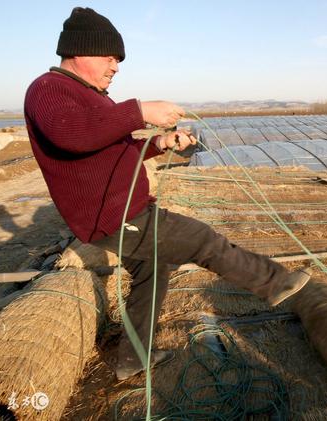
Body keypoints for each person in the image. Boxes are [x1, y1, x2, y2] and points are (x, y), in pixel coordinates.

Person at [24, 7, 311, 381]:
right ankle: (274, 282)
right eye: (109, 57)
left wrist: (162, 142)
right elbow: (72, 135)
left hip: (123, 211)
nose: (116, 67)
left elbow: (114, 149)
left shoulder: (92, 95)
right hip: (114, 218)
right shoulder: (49, 90)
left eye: (118, 60)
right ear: (80, 51)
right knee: (203, 240)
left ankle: (132, 358)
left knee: (153, 271)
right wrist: (140, 110)